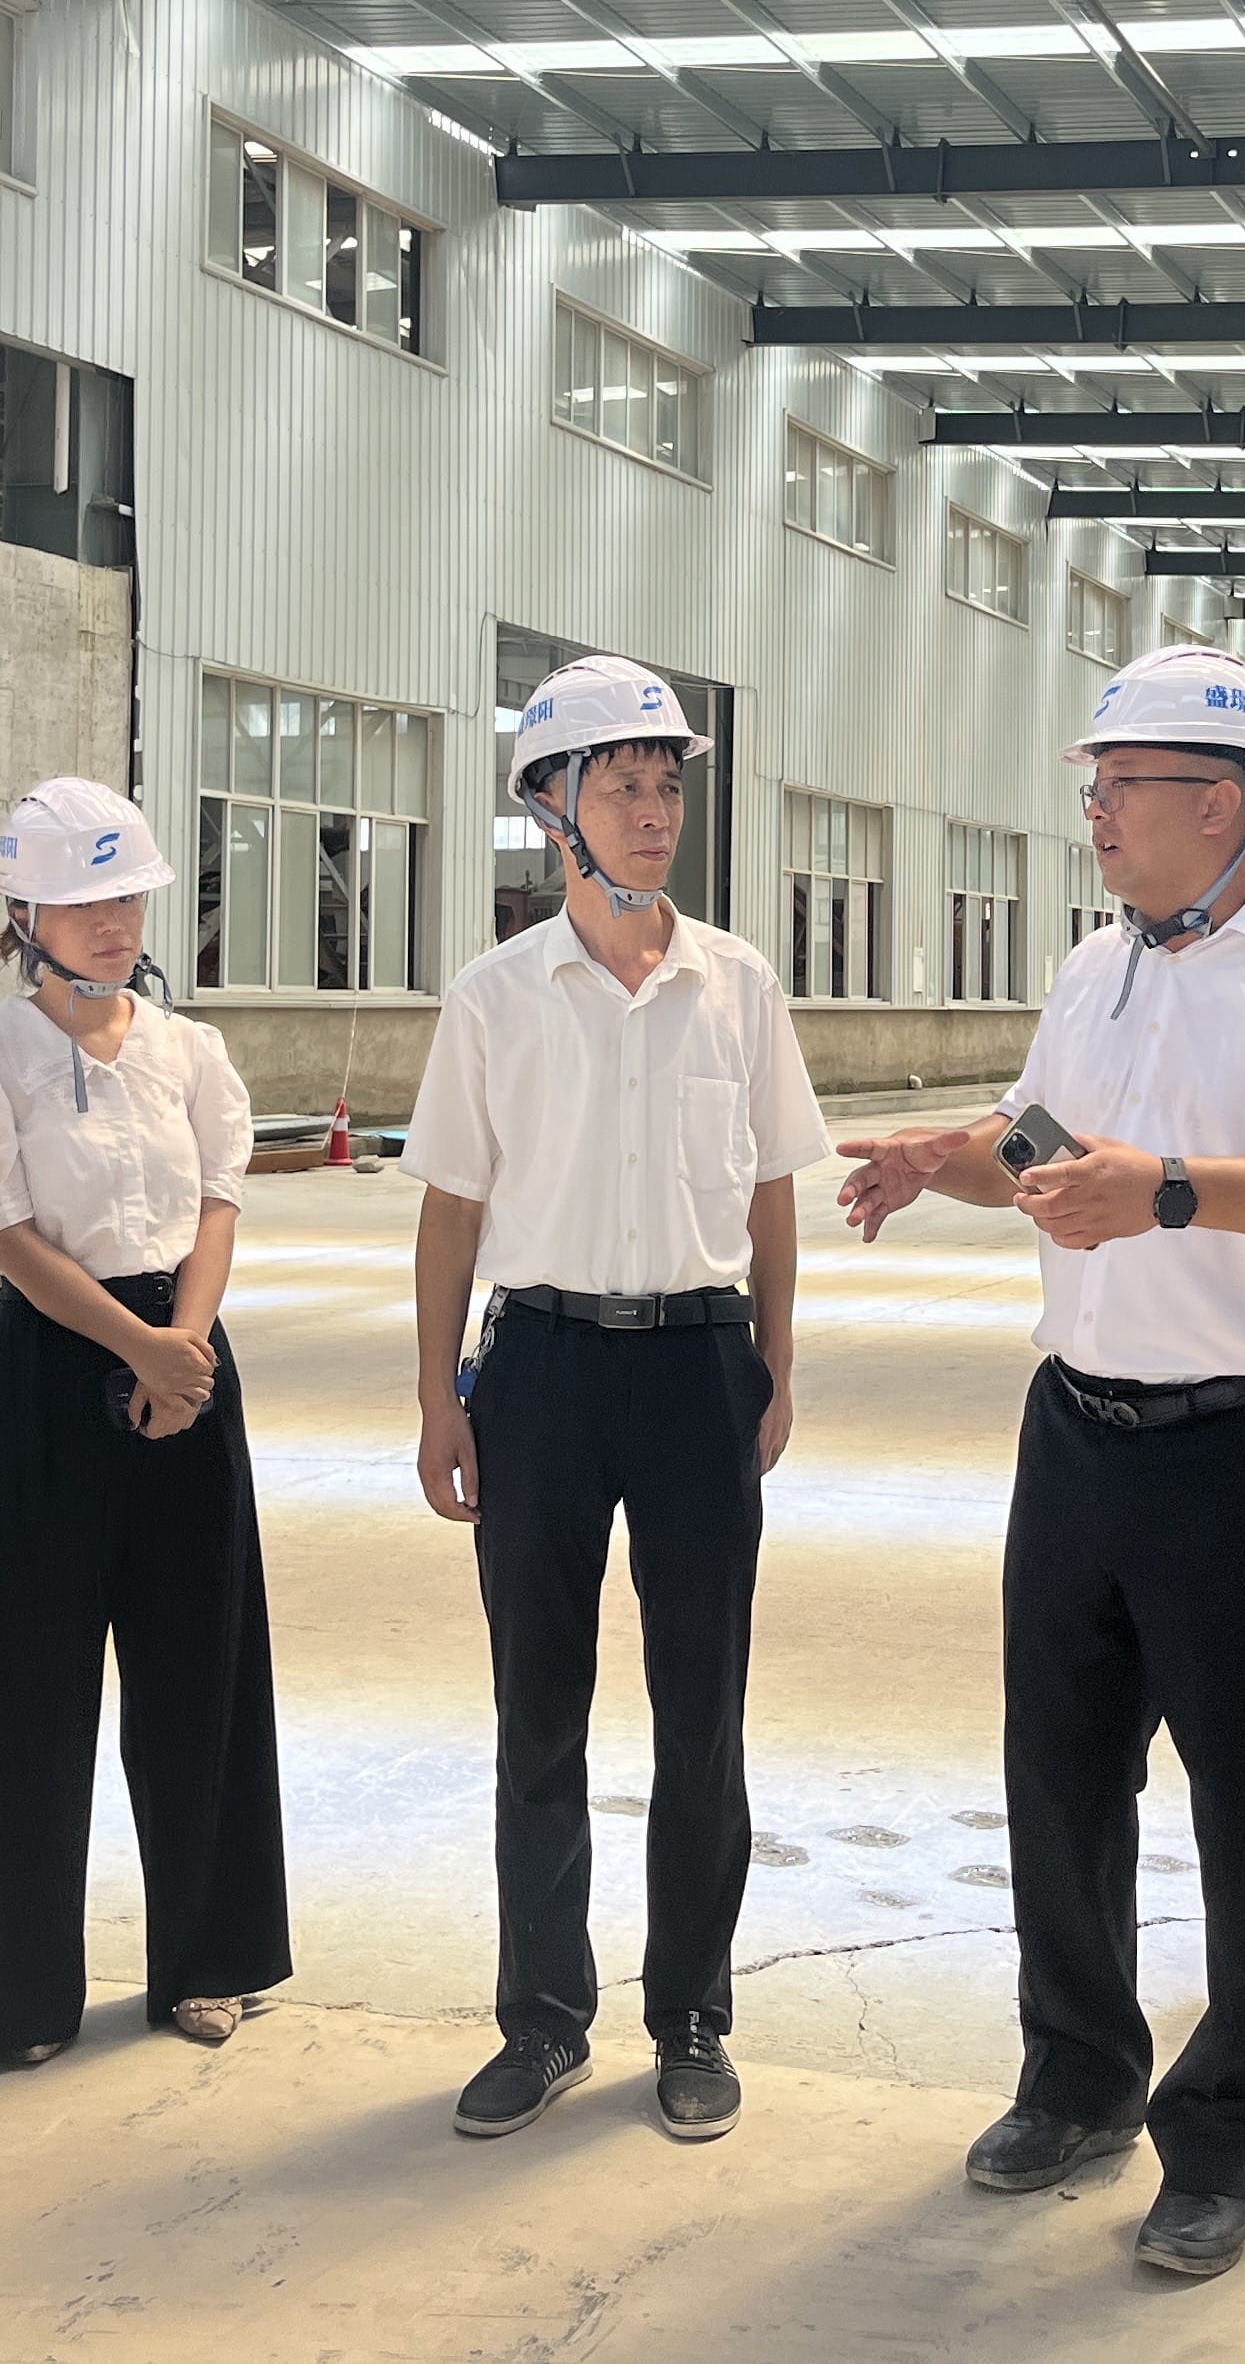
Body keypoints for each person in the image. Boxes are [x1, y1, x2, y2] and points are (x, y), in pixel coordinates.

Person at [840, 644, 1245, 2284]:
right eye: (1091, 784)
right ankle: (1080, 2075)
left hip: (1238, 1440)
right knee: (1061, 1773)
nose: (1092, 812)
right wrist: (941, 1156)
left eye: (1119, 785)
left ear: (1221, 801)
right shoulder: (1098, 967)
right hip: (1076, 1428)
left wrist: (1169, 1187)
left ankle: (1225, 2133)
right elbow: (1040, 1143)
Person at [402, 655, 831, 2145]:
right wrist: (438, 1397)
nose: (655, 813)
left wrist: (776, 1361)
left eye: (667, 786)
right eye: (625, 786)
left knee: (702, 1710)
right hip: (540, 1371)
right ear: (555, 809)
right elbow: (452, 1210)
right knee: (541, 1711)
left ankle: (692, 2016)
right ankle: (542, 2019)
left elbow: (773, 1192)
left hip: (700, 1365)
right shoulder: (496, 999)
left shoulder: (739, 986)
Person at [0, 779, 291, 2064]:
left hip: (187, 1357)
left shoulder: (187, 1051)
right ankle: (24, 1996)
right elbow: (1, 1232)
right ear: (25, 914)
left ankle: (210, 1959)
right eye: (83, 900)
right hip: (53, 1361)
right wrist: (133, 1346)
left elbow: (217, 1203)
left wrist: (182, 1348)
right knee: (31, 1683)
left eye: (128, 896)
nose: (112, 922)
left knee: (201, 1668)